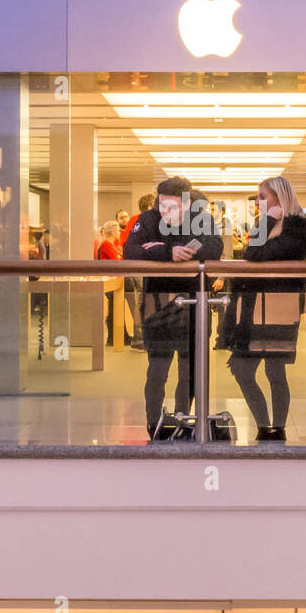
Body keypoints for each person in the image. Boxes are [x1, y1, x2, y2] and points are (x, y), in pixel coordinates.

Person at [224, 177, 306, 442]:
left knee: (274, 369)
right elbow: (253, 253)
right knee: (243, 369)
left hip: (280, 306)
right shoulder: (266, 224)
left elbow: (257, 255)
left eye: (262, 196)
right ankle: (264, 426)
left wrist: (268, 221)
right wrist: (266, 221)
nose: (258, 202)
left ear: (279, 197)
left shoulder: (298, 229)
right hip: (255, 305)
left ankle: (277, 429)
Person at [123, 176, 224, 439]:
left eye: (175, 205)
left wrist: (172, 249)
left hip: (194, 303)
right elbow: (131, 251)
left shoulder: (200, 217)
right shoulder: (147, 219)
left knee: (189, 369)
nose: (167, 210)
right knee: (157, 367)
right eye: (163, 204)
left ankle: (182, 419)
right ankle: (153, 422)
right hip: (158, 303)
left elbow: (215, 246)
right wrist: (168, 252)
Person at [122, 194, 154, 351]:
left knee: (141, 300)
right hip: (140, 266)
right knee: (142, 301)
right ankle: (141, 339)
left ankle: (140, 338)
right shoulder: (145, 221)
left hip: (134, 266)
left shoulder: (134, 220)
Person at [97, 219, 130, 347]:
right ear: (112, 232)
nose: (119, 232)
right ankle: (112, 337)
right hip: (111, 282)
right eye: (117, 230)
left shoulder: (114, 244)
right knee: (113, 310)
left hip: (118, 281)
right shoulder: (106, 244)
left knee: (117, 309)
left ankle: (123, 336)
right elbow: (118, 260)